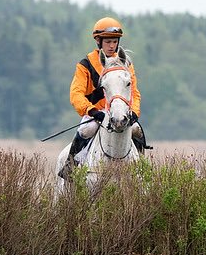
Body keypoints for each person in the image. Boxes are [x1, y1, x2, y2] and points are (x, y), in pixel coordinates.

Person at [59, 17, 145, 179]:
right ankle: (70, 166)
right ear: (99, 41)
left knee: (137, 130)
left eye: (114, 41)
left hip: (121, 112)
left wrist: (134, 112)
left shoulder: (126, 64)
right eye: (108, 42)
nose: (112, 46)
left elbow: (134, 92)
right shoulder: (85, 64)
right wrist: (91, 111)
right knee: (86, 130)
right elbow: (76, 94)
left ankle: (141, 168)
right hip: (95, 113)